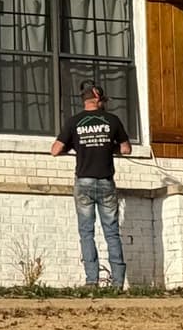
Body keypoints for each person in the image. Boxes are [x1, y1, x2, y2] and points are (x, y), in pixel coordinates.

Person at [51, 83, 132, 289]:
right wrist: (109, 146)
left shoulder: (74, 122)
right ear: (98, 100)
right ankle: (117, 283)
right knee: (111, 232)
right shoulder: (112, 120)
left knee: (86, 233)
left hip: (83, 182)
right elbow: (126, 149)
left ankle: (91, 281)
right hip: (106, 182)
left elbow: (55, 150)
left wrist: (74, 146)